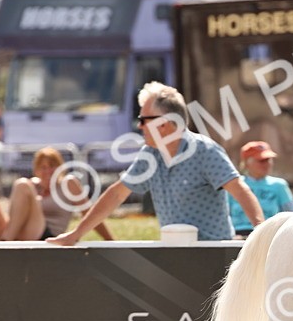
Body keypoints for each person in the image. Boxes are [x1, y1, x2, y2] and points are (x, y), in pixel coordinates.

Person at [48, 82, 264, 245]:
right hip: (171, 253)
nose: (139, 126)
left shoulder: (205, 151)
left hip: (210, 254)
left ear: (166, 125)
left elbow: (240, 189)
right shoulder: (150, 155)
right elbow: (116, 194)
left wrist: (260, 234)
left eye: (144, 120)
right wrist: (75, 235)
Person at [0, 147, 113, 242]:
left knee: (23, 185)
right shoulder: (32, 185)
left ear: (60, 168)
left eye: (52, 166)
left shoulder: (68, 184)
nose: (48, 171)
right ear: (36, 170)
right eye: (43, 167)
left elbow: (91, 214)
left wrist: (111, 242)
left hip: (47, 235)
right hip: (18, 233)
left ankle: (6, 244)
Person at [229, 141, 293, 237]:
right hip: (237, 235)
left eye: (268, 160)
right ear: (246, 163)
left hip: (268, 235)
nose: (267, 164)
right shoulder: (235, 184)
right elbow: (225, 214)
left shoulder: (279, 185)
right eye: (261, 161)